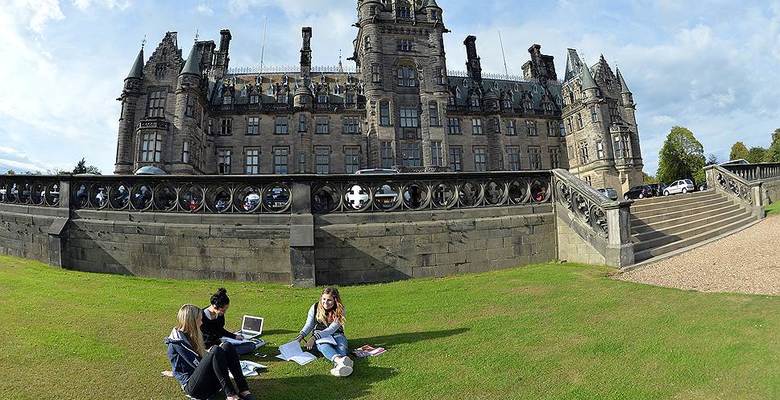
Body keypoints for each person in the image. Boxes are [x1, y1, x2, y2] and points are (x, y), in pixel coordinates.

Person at [165, 304, 256, 400]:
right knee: (216, 350)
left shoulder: (192, 334)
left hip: (208, 383)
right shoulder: (177, 343)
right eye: (200, 320)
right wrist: (217, 359)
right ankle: (231, 395)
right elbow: (197, 364)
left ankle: (243, 389)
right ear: (192, 321)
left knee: (227, 346)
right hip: (194, 388)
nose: (201, 323)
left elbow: (203, 359)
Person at [294, 287, 353, 377]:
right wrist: (301, 335)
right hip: (321, 336)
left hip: (337, 334)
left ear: (335, 300)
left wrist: (313, 338)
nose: (325, 302)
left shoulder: (340, 309)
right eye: (324, 299)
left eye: (329, 300)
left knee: (342, 349)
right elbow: (309, 325)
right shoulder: (315, 307)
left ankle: (338, 367)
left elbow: (331, 329)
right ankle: (340, 363)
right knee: (324, 346)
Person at [201, 288, 257, 356]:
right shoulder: (201, 316)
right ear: (215, 306)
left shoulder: (219, 314)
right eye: (223, 310)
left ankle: (226, 353)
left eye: (226, 310)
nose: (224, 312)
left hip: (220, 342)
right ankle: (223, 354)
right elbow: (203, 338)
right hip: (208, 346)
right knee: (225, 350)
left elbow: (220, 329)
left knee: (251, 345)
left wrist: (234, 336)